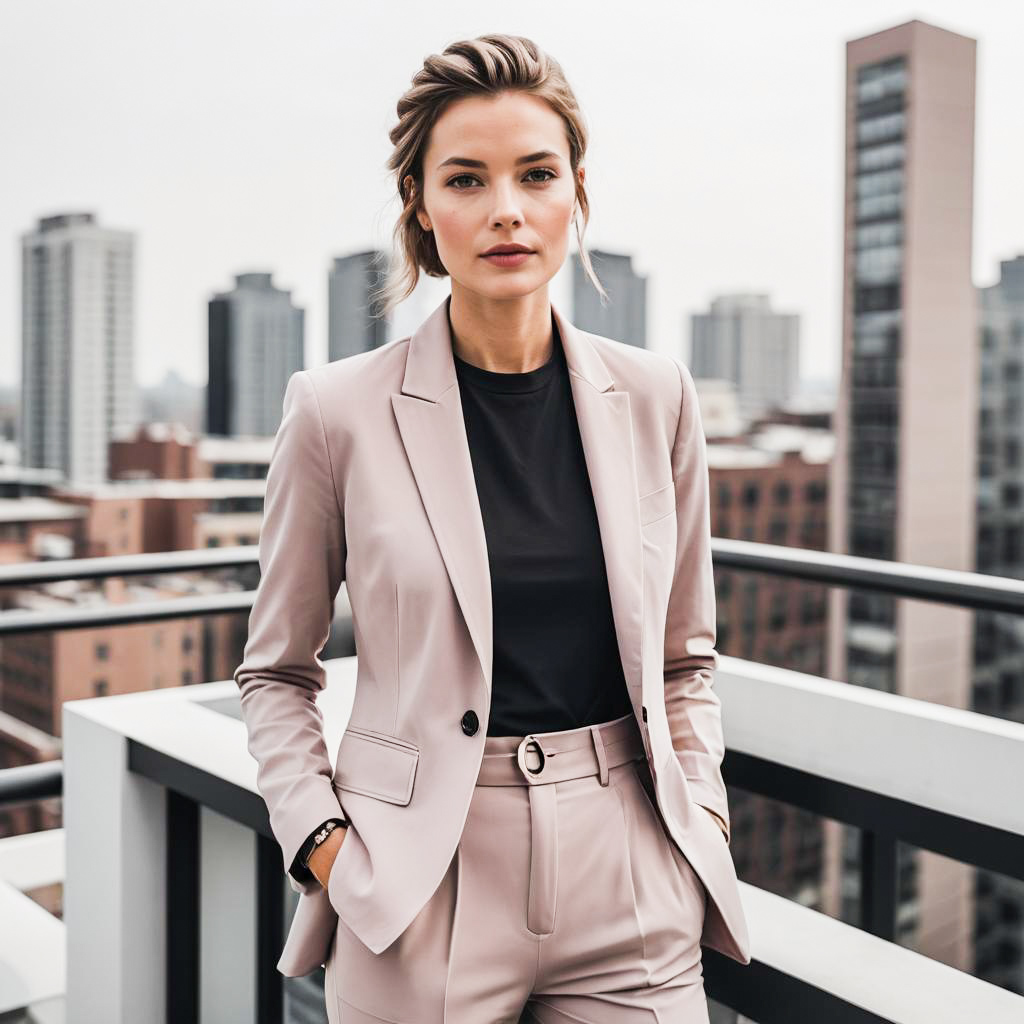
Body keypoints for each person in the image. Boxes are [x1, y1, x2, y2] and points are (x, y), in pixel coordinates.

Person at [234, 32, 751, 1024]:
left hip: (629, 869)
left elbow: (686, 657)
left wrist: (702, 819)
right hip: (417, 879)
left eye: (536, 174)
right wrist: (325, 846)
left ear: (576, 195)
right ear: (422, 212)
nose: (505, 209)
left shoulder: (655, 396)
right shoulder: (335, 409)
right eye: (466, 180)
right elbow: (275, 670)